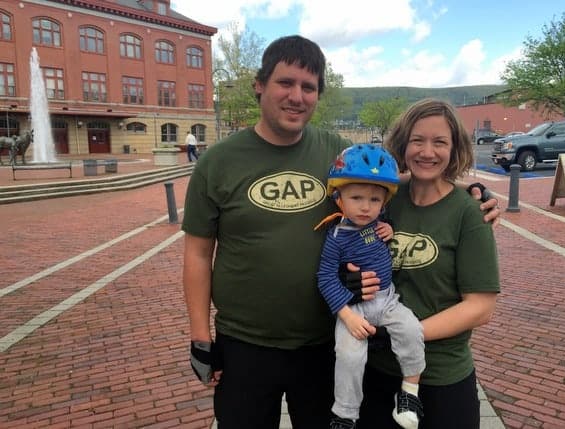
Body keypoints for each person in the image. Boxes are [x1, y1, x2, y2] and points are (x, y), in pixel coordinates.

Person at [182, 35, 500, 429]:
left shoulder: (335, 152)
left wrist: (467, 193)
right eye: (286, 82)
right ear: (259, 85)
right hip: (245, 344)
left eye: (309, 87)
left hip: (321, 343)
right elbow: (197, 254)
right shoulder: (217, 162)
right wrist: (200, 337)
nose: (296, 96)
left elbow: (383, 182)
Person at [356, 99, 501, 429]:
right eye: (418, 140)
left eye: (440, 142)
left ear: (455, 149)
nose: (427, 152)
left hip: (442, 378)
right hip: (377, 372)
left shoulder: (469, 213)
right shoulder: (384, 197)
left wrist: (403, 334)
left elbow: (480, 307)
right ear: (403, 143)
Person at [315, 144, 425, 429]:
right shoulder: (337, 236)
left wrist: (389, 230)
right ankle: (345, 414)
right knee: (349, 356)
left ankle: (410, 393)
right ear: (339, 199)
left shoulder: (379, 224)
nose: (366, 206)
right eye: (357, 198)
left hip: (387, 301)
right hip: (354, 309)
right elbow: (325, 277)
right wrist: (348, 316)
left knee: (412, 330)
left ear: (384, 203)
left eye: (375, 200)